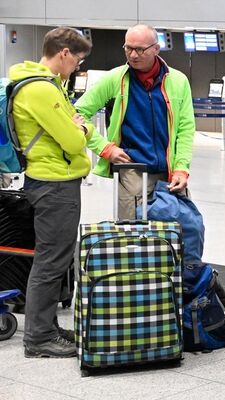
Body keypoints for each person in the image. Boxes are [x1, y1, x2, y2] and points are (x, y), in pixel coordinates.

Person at [10, 27, 93, 359]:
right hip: (54, 184)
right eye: (78, 60)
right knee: (50, 262)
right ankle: (39, 338)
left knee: (54, 260)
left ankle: (46, 327)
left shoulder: (38, 84)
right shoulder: (42, 90)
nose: (77, 67)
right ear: (64, 53)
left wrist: (76, 125)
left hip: (49, 180)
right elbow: (74, 140)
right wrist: (83, 128)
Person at [77, 24, 195, 219]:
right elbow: (78, 113)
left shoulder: (178, 81)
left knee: (176, 232)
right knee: (132, 234)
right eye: (128, 48)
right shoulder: (114, 79)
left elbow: (185, 128)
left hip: (170, 172)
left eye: (140, 49)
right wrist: (105, 148)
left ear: (156, 49)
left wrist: (181, 167)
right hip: (132, 170)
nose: (133, 55)